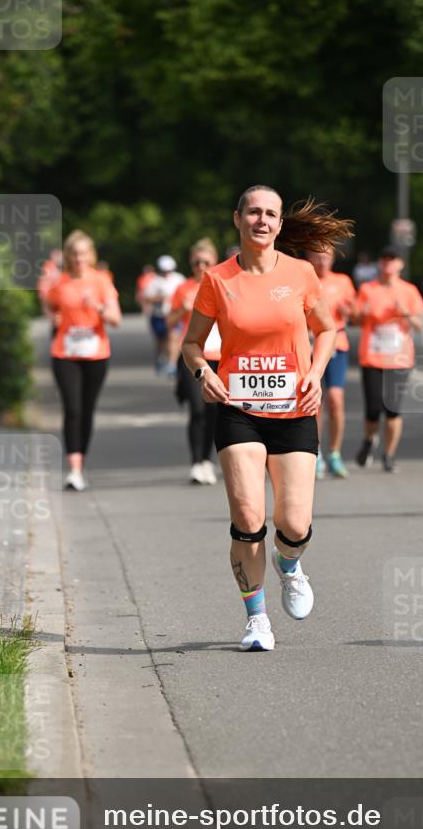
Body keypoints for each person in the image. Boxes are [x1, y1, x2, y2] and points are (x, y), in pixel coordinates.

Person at [183, 186, 353, 651]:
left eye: (270, 214)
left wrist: (315, 373)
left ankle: (289, 565)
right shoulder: (217, 279)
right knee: (248, 516)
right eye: (253, 212)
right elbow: (191, 343)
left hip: (294, 410)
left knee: (294, 525)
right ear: (237, 218)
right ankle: (256, 620)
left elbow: (327, 329)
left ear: (279, 224)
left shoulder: (301, 273)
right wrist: (203, 372)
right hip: (238, 410)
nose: (261, 220)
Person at [46, 230, 121, 491]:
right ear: (68, 256)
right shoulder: (60, 283)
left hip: (95, 354)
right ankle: (74, 469)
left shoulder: (101, 281)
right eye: (74, 254)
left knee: (87, 409)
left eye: (83, 254)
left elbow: (116, 319)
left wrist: (97, 307)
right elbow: (49, 303)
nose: (79, 258)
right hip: (65, 353)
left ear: (91, 255)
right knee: (72, 409)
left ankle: (82, 460)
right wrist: (53, 317)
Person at [354, 246, 423, 473]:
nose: (388, 263)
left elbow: (419, 325)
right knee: (373, 409)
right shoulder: (367, 289)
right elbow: (354, 320)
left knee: (392, 409)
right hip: (372, 357)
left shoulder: (409, 290)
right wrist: (362, 314)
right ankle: (369, 440)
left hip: (399, 358)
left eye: (392, 259)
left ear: (400, 264)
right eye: (384, 259)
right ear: (379, 263)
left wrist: (406, 313)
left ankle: (389, 455)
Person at [167, 238, 222, 484]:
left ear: (214, 262)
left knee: (213, 410)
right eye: (197, 262)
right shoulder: (184, 288)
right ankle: (196, 463)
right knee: (197, 409)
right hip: (192, 357)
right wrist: (183, 309)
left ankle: (207, 460)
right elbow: (169, 322)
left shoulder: (222, 285)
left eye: (206, 262)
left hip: (219, 356)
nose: (201, 267)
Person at [305, 249, 357, 479]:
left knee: (335, 399)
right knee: (314, 402)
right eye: (317, 256)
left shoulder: (342, 281)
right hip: (310, 345)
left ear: (333, 258)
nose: (322, 261)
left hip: (337, 344)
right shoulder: (304, 279)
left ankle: (335, 453)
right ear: (309, 258)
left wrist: (349, 311)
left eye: (326, 256)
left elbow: (356, 314)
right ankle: (315, 454)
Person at [143, 255, 185, 374]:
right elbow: (147, 298)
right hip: (159, 315)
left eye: (169, 270)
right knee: (160, 340)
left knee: (173, 338)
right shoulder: (154, 281)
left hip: (174, 314)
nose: (167, 273)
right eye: (164, 270)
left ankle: (172, 364)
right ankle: (160, 359)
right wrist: (161, 298)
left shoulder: (179, 279)